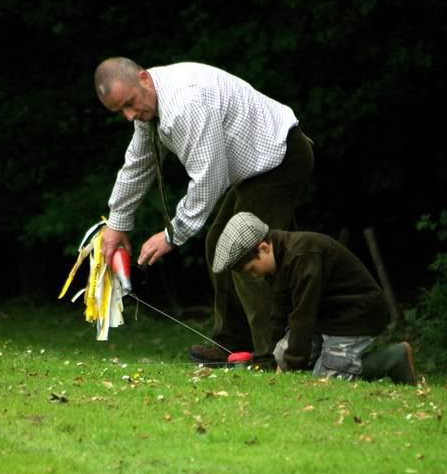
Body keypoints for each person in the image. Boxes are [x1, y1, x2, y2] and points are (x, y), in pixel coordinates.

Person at [93, 58, 313, 365]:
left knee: (246, 251)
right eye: (120, 112)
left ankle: (276, 356)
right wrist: (117, 224)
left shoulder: (185, 103)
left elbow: (210, 179)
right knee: (217, 244)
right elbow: (137, 166)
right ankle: (231, 344)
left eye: (130, 104)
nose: (130, 116)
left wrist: (172, 235)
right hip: (254, 171)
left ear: (143, 79)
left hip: (281, 160)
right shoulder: (150, 109)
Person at [212, 211, 417, 384]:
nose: (253, 275)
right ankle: (326, 362)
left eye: (251, 269)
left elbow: (303, 315)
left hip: (356, 315)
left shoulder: (301, 256)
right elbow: (280, 311)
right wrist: (276, 359)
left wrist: (289, 367)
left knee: (327, 379)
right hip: (327, 316)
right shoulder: (278, 260)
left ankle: (394, 358)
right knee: (282, 354)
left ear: (264, 248)